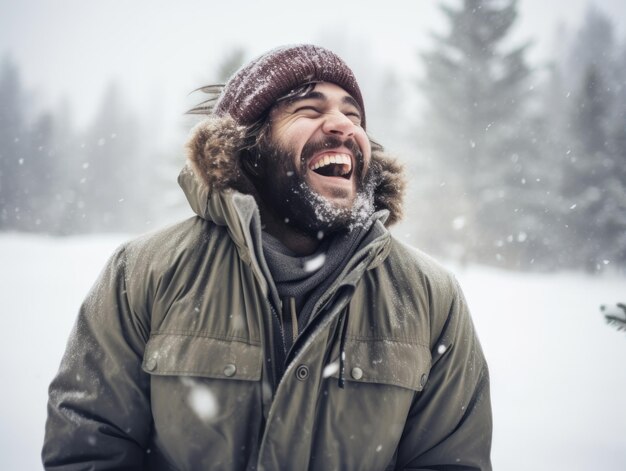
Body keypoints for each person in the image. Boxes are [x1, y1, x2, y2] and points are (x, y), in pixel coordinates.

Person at [43, 44, 492, 470]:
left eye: (352, 114)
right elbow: (88, 445)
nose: (343, 125)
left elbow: (450, 461)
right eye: (310, 110)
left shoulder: (430, 296)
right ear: (250, 149)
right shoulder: (144, 272)